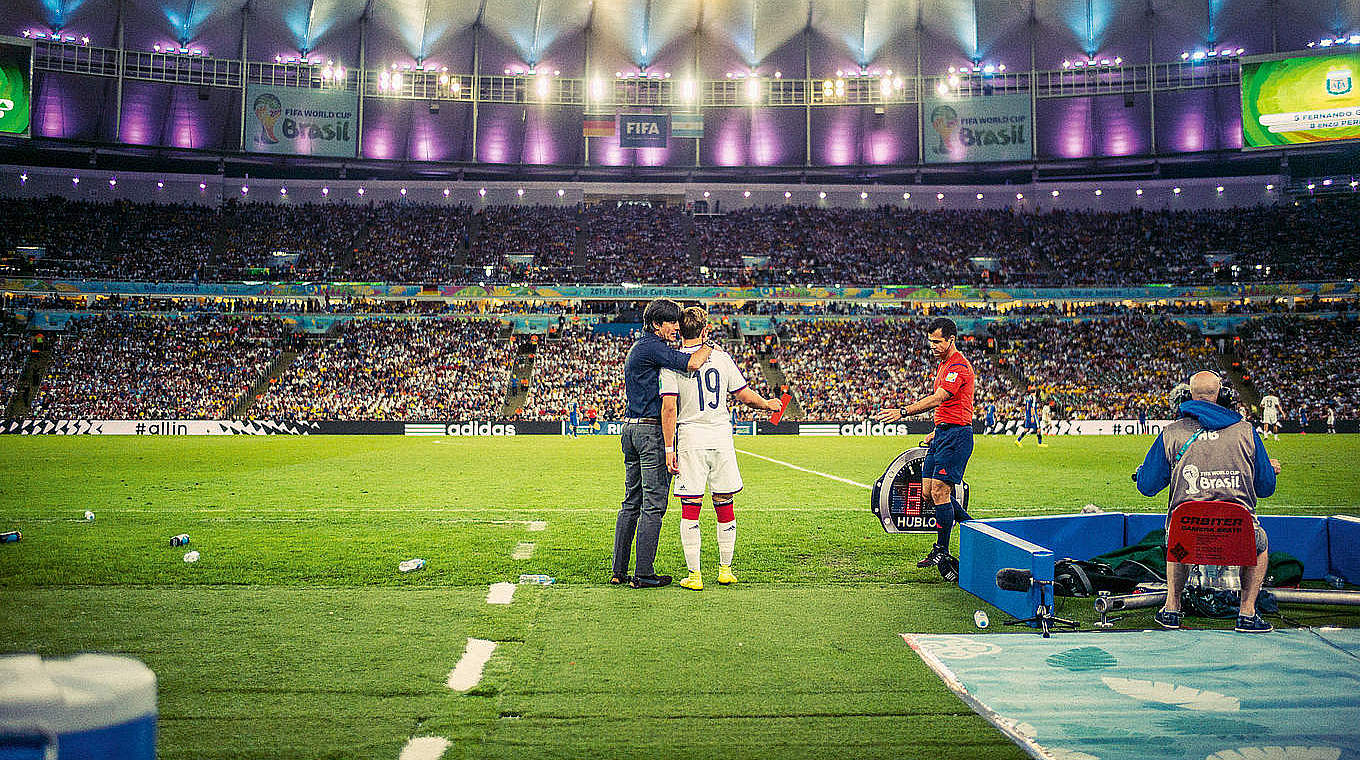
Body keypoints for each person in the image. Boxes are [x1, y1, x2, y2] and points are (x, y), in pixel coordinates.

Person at [1135, 371, 1282, 633]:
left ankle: (1172, 609)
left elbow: (1146, 487)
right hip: (1236, 532)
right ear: (1222, 396)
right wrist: (1268, 470)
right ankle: (1247, 613)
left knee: (1176, 537)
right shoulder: (1246, 431)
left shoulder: (1172, 433)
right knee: (1260, 544)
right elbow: (1266, 488)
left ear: (1187, 396)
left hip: (1187, 534)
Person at [660, 307, 783, 591]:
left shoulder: (672, 362)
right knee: (725, 504)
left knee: (690, 507)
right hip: (721, 437)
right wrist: (767, 404)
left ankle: (694, 575)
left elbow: (669, 408)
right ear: (705, 331)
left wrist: (669, 448)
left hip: (691, 438)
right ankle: (725, 569)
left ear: (681, 330)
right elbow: (744, 396)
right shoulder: (722, 358)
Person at [613, 299, 714, 589]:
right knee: (654, 505)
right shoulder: (654, 347)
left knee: (631, 502)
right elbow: (693, 362)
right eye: (672, 322)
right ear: (657, 324)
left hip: (630, 429)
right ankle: (643, 573)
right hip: (649, 433)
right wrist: (708, 344)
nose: (677, 327)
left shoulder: (639, 346)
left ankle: (619, 570)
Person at [872, 317, 976, 577]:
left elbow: (941, 398)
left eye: (937, 341)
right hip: (943, 434)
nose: (932, 346)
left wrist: (903, 411)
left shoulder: (958, 367)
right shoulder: (943, 365)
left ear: (951, 339)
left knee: (941, 493)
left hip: (957, 437)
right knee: (929, 493)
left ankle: (942, 548)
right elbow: (949, 407)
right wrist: (937, 430)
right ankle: (976, 527)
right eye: (930, 341)